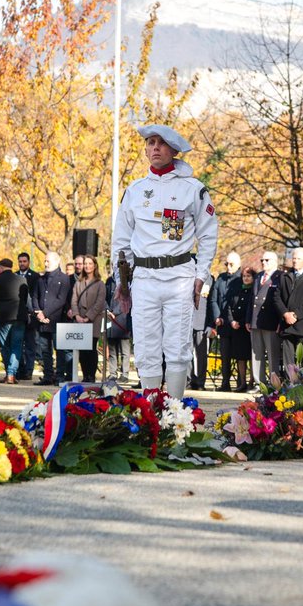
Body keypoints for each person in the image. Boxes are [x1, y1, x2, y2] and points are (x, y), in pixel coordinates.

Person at [111, 123, 218, 399]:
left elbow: (208, 235)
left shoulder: (193, 189)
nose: (155, 147)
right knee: (146, 347)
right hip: (144, 278)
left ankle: (176, 413)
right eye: (150, 143)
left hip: (180, 277)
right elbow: (121, 241)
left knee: (178, 347)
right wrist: (120, 280)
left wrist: (201, 276)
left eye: (160, 143)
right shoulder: (134, 191)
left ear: (173, 149)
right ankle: (150, 413)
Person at [274, 247, 303, 370]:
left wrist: (295, 315)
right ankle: (290, 385)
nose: (295, 261)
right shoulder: (285, 276)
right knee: (288, 361)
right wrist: (285, 314)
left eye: (298, 258)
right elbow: (277, 297)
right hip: (287, 324)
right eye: (293, 258)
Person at [32, 252, 71, 386]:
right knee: (45, 350)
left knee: (59, 349)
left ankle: (59, 375)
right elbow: (35, 297)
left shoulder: (64, 278)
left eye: (48, 261)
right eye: (45, 261)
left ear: (57, 261)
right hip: (42, 321)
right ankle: (48, 375)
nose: (46, 264)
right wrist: (38, 313)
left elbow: (61, 300)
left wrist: (45, 313)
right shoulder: (40, 279)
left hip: (56, 320)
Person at [0, 258, 30, 384]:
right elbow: (25, 299)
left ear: (0, 268)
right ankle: (12, 374)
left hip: (2, 317)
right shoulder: (22, 279)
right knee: (16, 346)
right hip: (19, 317)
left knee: (5, 346)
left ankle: (9, 373)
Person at [66, 254, 106, 382]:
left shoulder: (100, 284)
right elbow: (74, 300)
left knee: (91, 348)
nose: (87, 266)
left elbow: (99, 303)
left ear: (94, 266)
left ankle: (91, 375)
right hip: (79, 319)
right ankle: (85, 375)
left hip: (93, 320)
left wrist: (88, 317)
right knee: (82, 349)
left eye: (90, 263)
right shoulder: (78, 283)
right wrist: (77, 315)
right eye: (86, 263)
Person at [248, 251, 281, 387]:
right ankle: (259, 383)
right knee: (257, 353)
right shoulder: (259, 276)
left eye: (267, 260)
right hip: (256, 321)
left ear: (274, 261)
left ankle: (274, 384)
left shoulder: (280, 276)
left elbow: (281, 300)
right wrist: (248, 319)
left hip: (271, 321)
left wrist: (280, 322)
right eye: (262, 260)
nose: (263, 263)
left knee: (272, 354)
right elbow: (252, 299)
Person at [210, 253, 241, 391]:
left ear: (238, 264)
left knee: (240, 355)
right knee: (225, 355)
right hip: (223, 322)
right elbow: (214, 299)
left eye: (231, 264)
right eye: (226, 264)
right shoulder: (221, 279)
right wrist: (217, 317)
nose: (228, 267)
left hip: (237, 323)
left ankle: (242, 383)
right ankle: (225, 383)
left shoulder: (242, 279)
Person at [222, 265, 254, 391]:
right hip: (236, 329)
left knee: (250, 357)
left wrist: (241, 322)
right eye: (244, 276)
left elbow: (250, 310)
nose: (246, 279)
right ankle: (242, 383)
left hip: (247, 328)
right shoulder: (238, 290)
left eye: (248, 276)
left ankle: (252, 382)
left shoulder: (253, 291)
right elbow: (229, 307)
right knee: (240, 357)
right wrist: (232, 321)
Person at [15, 252, 39, 380]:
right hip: (18, 315)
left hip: (30, 315)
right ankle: (20, 369)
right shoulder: (14, 276)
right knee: (18, 343)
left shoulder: (35, 276)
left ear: (28, 262)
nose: (22, 263)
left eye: (24, 261)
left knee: (30, 344)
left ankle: (29, 370)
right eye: (20, 261)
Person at [105, 270, 133, 382]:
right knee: (112, 350)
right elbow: (104, 297)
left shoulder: (127, 281)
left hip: (123, 319)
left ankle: (125, 374)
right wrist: (107, 310)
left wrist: (115, 312)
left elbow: (128, 300)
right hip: (110, 319)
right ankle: (112, 373)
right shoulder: (108, 281)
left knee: (125, 351)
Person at [189, 271, 214, 389]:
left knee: (201, 355)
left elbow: (212, 302)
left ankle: (200, 382)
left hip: (202, 322)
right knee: (187, 353)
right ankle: (189, 380)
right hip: (187, 321)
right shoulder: (187, 275)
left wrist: (211, 324)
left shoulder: (209, 279)